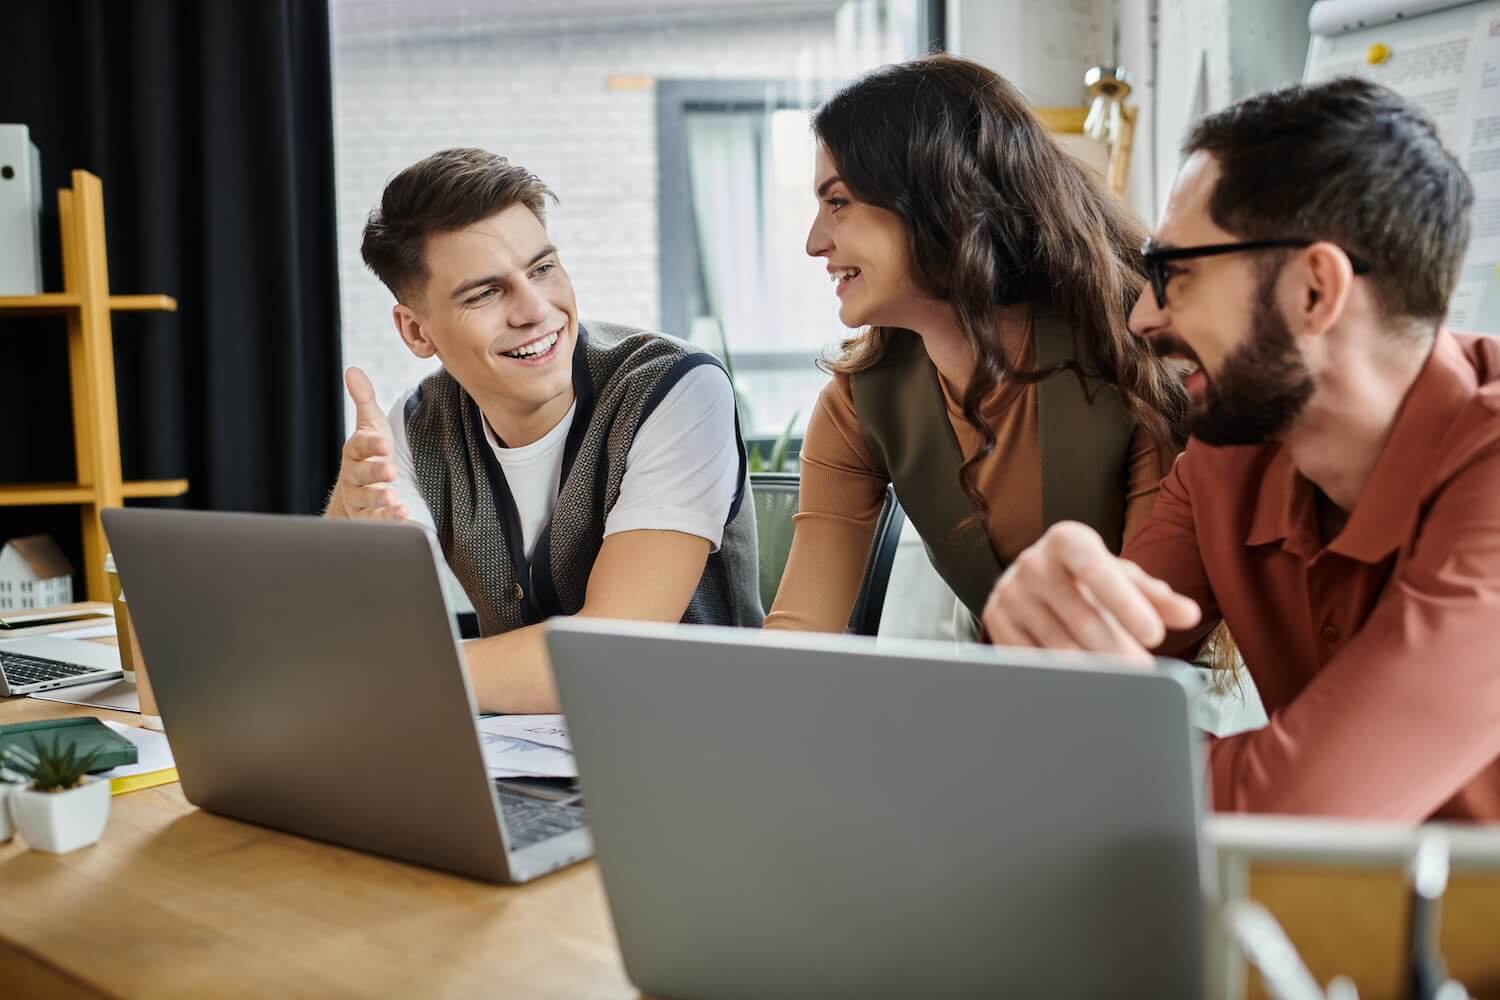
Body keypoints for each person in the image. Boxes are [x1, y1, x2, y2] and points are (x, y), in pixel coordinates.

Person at [981, 78, 1500, 821]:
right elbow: (1054, 710)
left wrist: (1083, 744)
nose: (1142, 316)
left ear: (1314, 291)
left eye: (1174, 273)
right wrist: (1037, 631)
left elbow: (1300, 805)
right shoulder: (1228, 455)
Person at [326, 148, 762, 713]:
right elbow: (344, 635)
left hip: (695, 735)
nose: (535, 310)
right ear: (416, 331)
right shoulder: (417, 425)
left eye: (542, 269)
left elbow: (611, 652)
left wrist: (392, 672)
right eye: (485, 293)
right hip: (516, 749)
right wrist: (348, 507)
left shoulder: (675, 389)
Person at [762, 55, 1185, 635]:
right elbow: (799, 632)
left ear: (936, 197)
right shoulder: (857, 405)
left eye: (838, 202)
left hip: (1156, 684)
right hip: (1010, 684)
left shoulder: (1127, 352)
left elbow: (1155, 633)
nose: (815, 243)